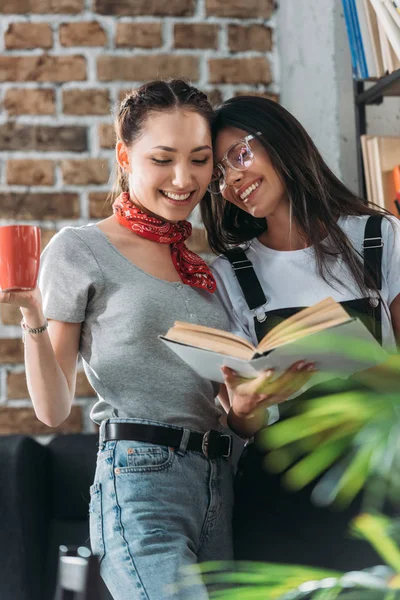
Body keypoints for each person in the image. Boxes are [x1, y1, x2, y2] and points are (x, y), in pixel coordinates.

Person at [0, 81, 312, 600]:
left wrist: (250, 404)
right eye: (163, 159)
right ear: (125, 155)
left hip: (220, 478)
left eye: (199, 159)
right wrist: (32, 311)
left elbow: (227, 403)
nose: (182, 179)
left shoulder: (214, 258)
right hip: (141, 476)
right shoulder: (81, 250)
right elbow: (52, 411)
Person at [201, 95, 400, 571]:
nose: (233, 181)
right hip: (280, 494)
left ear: (279, 140)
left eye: (240, 156)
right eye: (219, 178)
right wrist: (245, 409)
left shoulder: (379, 238)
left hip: (377, 480)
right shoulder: (230, 273)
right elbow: (243, 422)